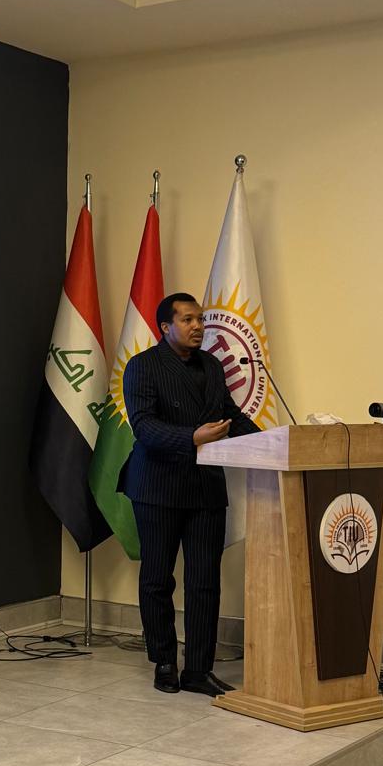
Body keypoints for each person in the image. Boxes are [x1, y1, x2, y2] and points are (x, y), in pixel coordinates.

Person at [120, 292, 261, 696]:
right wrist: (192, 437)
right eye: (187, 320)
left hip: (205, 488)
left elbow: (229, 415)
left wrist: (274, 441)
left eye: (200, 319)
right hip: (158, 486)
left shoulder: (212, 365)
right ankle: (164, 661)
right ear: (166, 327)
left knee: (205, 582)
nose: (198, 326)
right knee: (157, 579)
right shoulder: (142, 366)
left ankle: (198, 669)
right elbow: (144, 426)